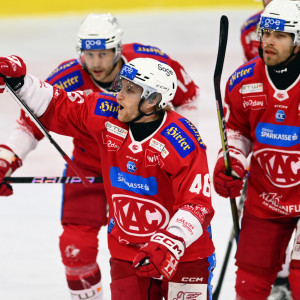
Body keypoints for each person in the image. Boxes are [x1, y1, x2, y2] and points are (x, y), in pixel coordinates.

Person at [0, 13, 201, 299]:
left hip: (144, 171)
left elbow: (187, 97)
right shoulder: (67, 77)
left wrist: (168, 140)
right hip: (88, 169)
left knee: (153, 248)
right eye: (89, 53)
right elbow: (32, 122)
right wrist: (6, 160)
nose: (95, 62)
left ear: (118, 49)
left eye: (103, 53)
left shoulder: (149, 64)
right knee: (75, 250)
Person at [213, 0, 300, 299]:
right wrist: (232, 162)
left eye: (279, 35)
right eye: (265, 33)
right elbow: (236, 130)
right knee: (249, 283)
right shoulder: (243, 81)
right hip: (266, 195)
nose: (268, 41)